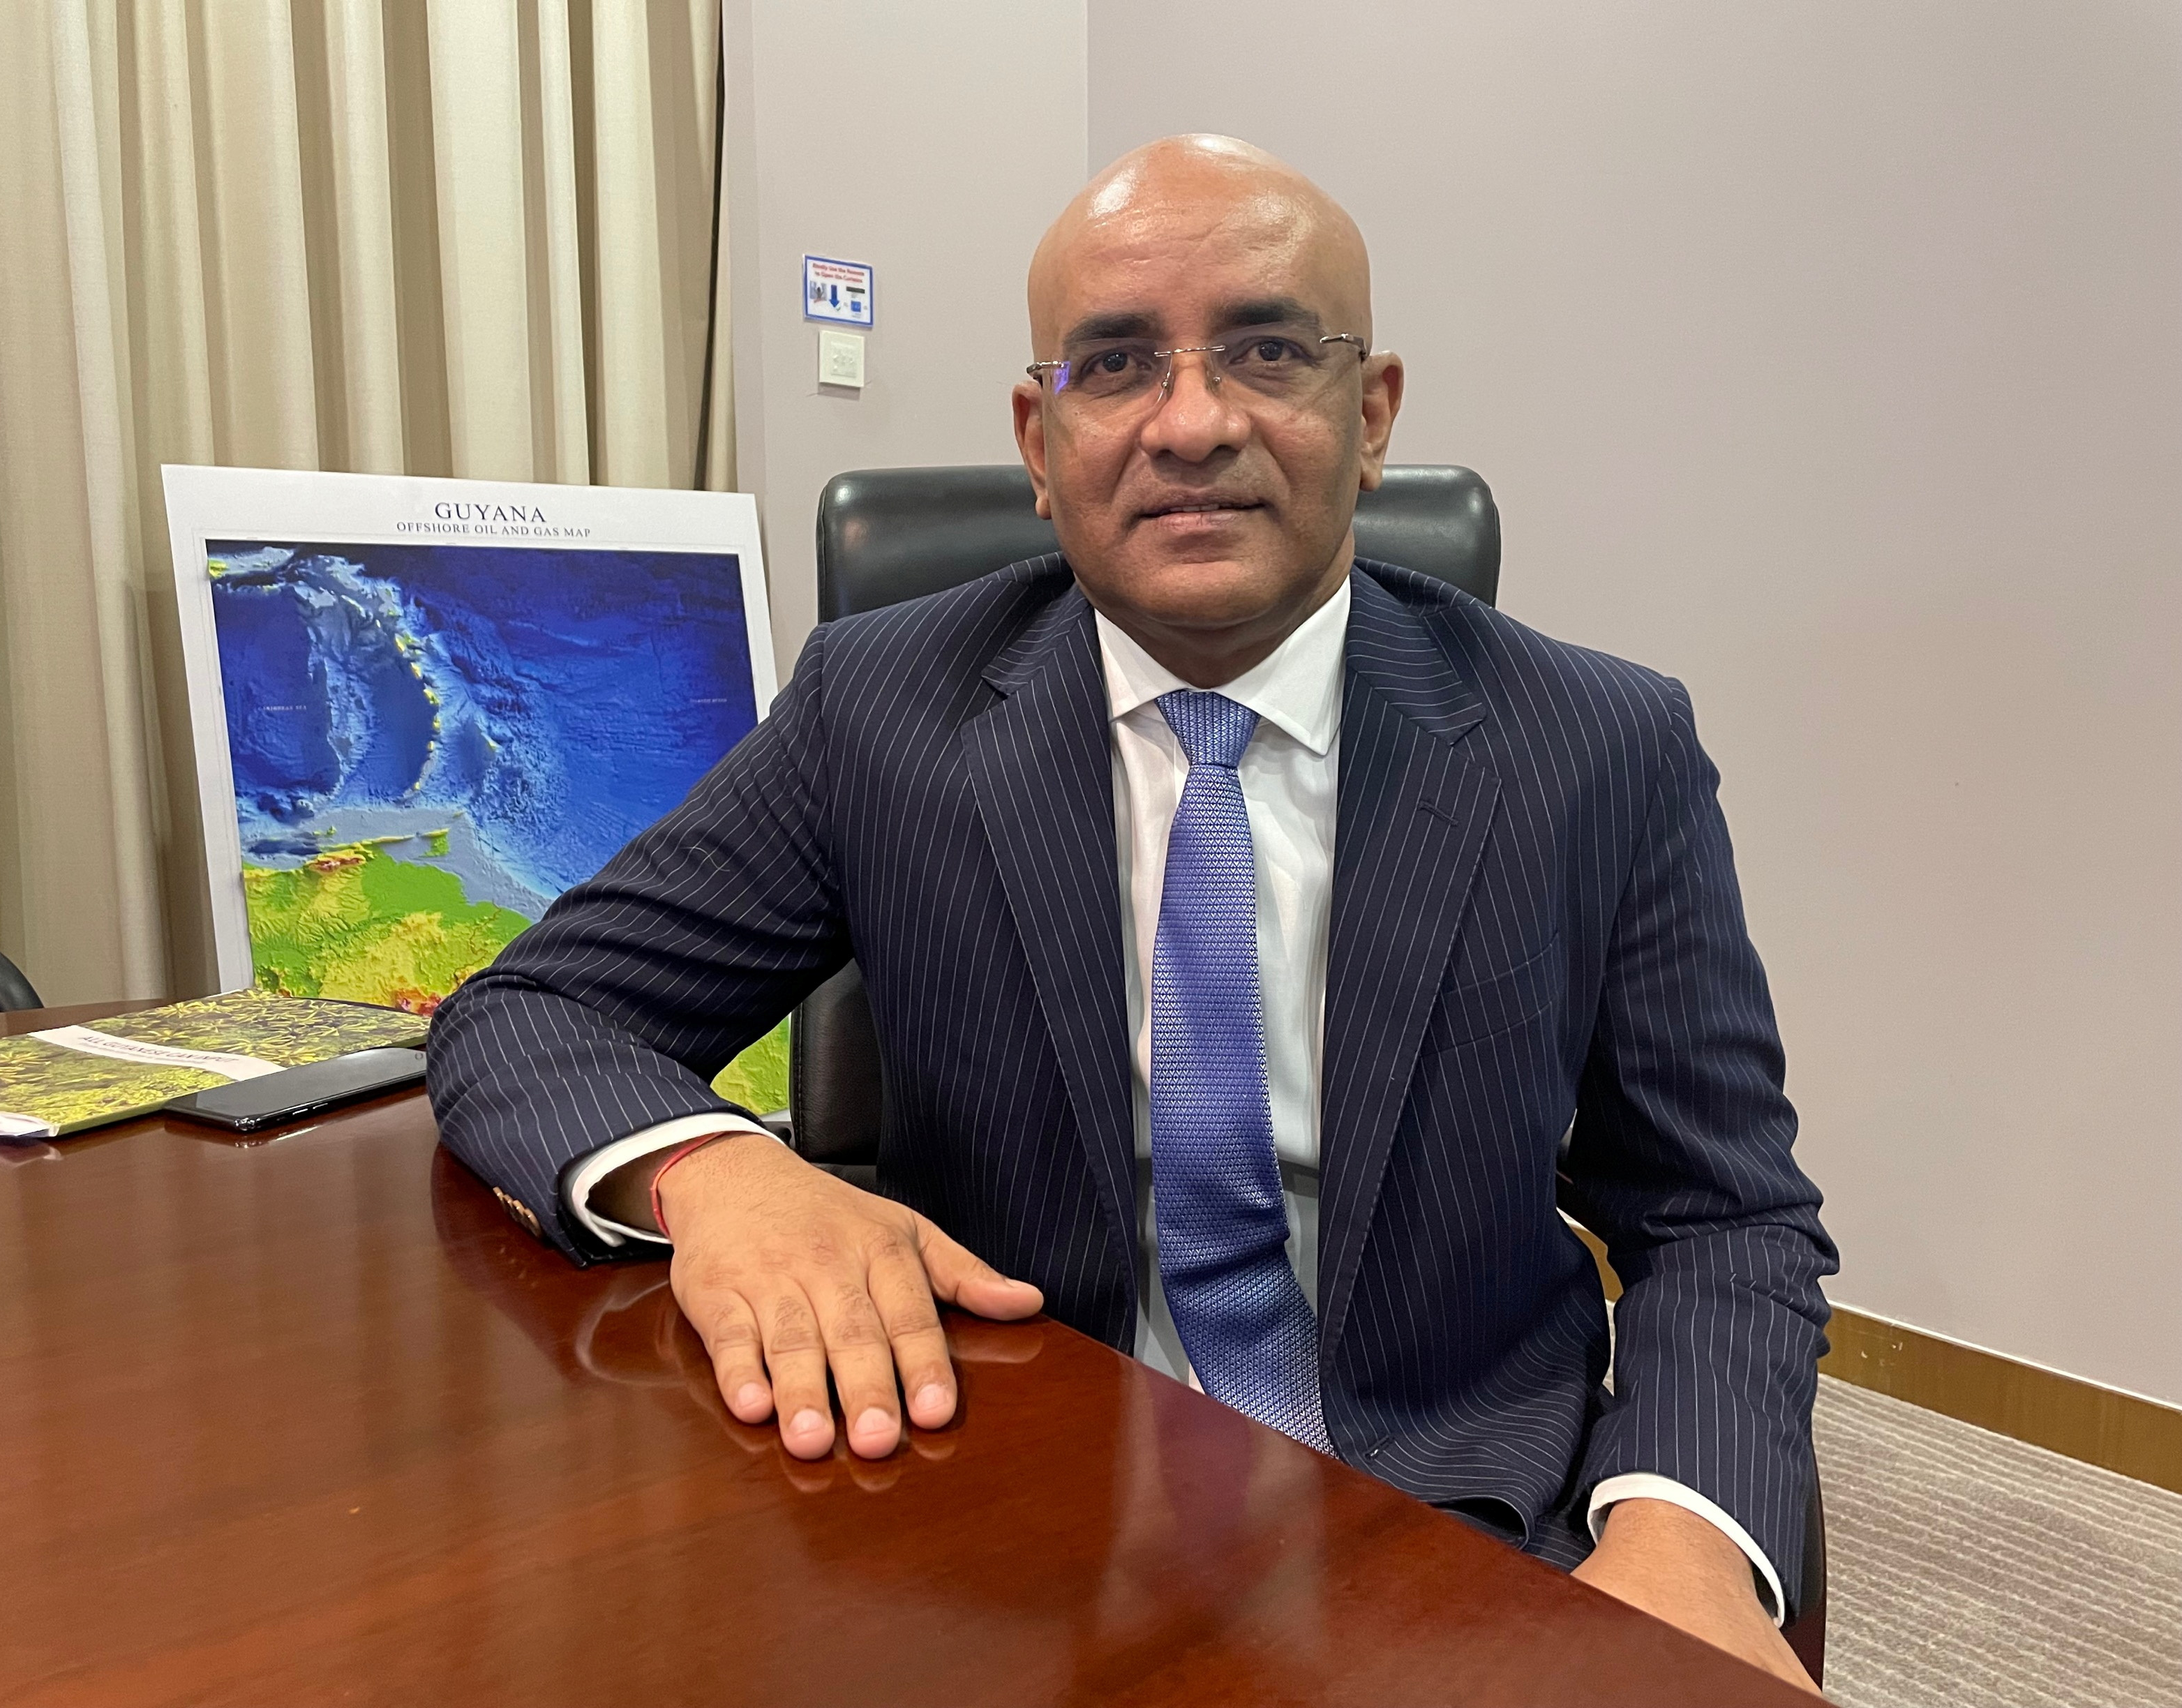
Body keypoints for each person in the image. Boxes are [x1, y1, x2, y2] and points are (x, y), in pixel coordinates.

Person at [429, 135, 1835, 1689]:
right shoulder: (881, 706)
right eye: (1115, 364)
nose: (1191, 421)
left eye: (1267, 348)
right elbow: (536, 1013)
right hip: (1003, 1474)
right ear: (1041, 439)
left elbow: (1723, 1213)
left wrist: (1684, 1534)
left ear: (1370, 418)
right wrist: (727, 1175)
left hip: (1460, 1504)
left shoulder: (1597, 748)